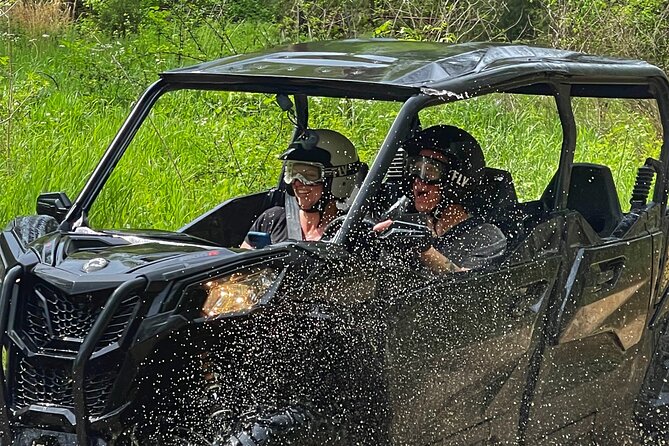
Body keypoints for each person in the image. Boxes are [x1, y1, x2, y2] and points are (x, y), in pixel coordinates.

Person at [375, 125, 506, 273]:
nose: (418, 182)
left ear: (456, 182)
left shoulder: (485, 237)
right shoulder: (405, 221)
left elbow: (471, 284)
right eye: (415, 169)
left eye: (430, 172)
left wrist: (425, 251)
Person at [241, 129, 361, 248]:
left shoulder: (351, 233)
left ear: (337, 178)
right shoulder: (272, 220)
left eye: (310, 175)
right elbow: (242, 257)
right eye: (293, 173)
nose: (298, 183)